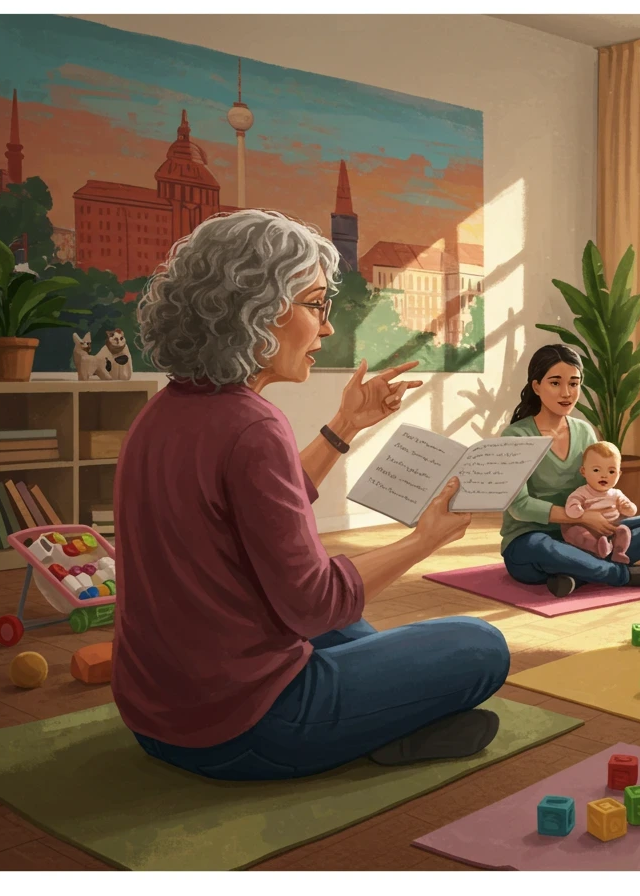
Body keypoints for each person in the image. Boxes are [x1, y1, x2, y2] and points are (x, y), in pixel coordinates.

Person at [112, 209, 510, 782]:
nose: (326, 328)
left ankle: (386, 707)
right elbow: (316, 605)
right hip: (248, 729)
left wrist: (345, 425)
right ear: (255, 310)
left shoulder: (164, 410)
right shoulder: (253, 425)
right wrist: (423, 540)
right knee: (480, 644)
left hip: (158, 718)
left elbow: (259, 511)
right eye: (315, 304)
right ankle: (385, 723)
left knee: (348, 631)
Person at [499, 344, 640, 597]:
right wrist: (579, 517)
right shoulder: (516, 436)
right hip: (531, 541)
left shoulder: (584, 431)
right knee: (542, 547)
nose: (566, 393)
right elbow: (519, 507)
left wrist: (604, 512)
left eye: (574, 383)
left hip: (585, 539)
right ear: (536, 386)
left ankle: (576, 575)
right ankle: (623, 575)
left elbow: (596, 484)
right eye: (555, 383)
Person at [562, 441, 639, 563]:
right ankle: (597, 548)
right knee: (576, 533)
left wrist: (628, 507)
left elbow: (632, 511)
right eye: (597, 470)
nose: (604, 475)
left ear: (619, 474)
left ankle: (618, 552)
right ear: (583, 471)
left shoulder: (616, 494)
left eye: (611, 472)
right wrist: (576, 508)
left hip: (610, 528)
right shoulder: (582, 492)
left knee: (624, 530)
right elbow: (572, 504)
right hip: (587, 528)